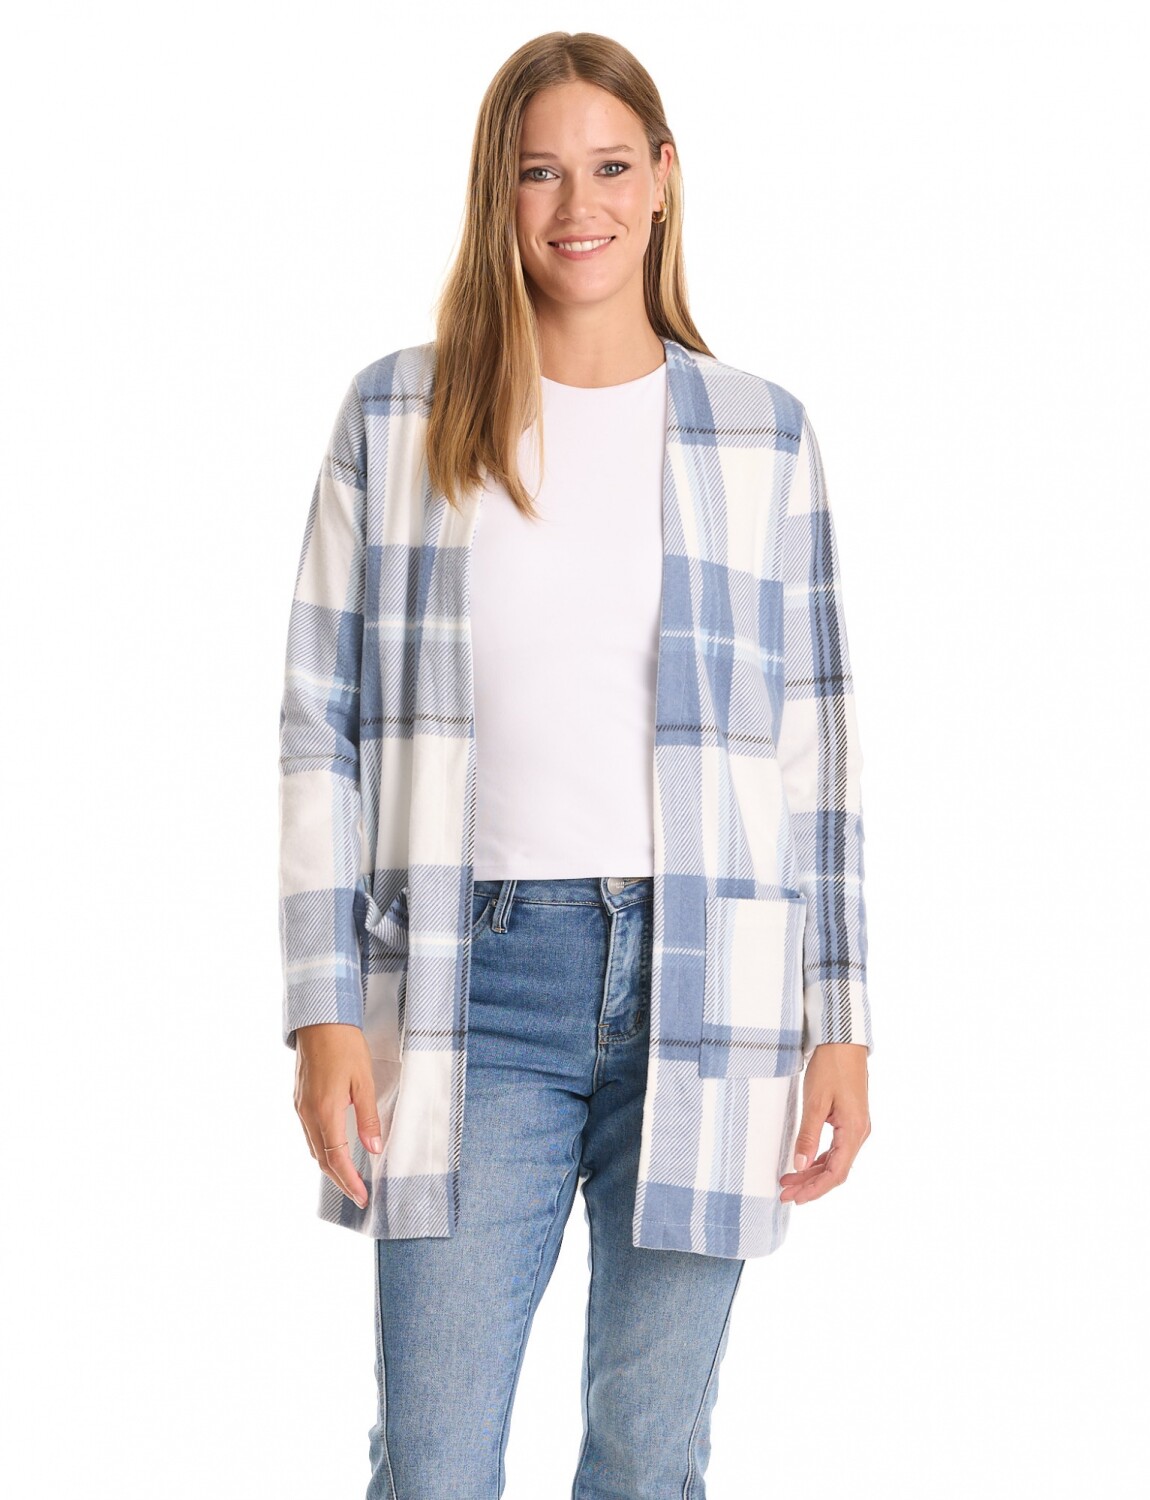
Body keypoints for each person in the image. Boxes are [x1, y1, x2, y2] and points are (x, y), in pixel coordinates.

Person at [277, 30, 874, 1500]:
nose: (577, 206)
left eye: (609, 167)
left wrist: (842, 1023)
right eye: (540, 173)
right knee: (433, 1461)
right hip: (471, 983)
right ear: (498, 191)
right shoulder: (400, 415)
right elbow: (317, 724)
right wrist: (322, 1011)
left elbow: (816, 749)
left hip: (711, 981)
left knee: (649, 1458)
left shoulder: (761, 434)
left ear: (662, 179)